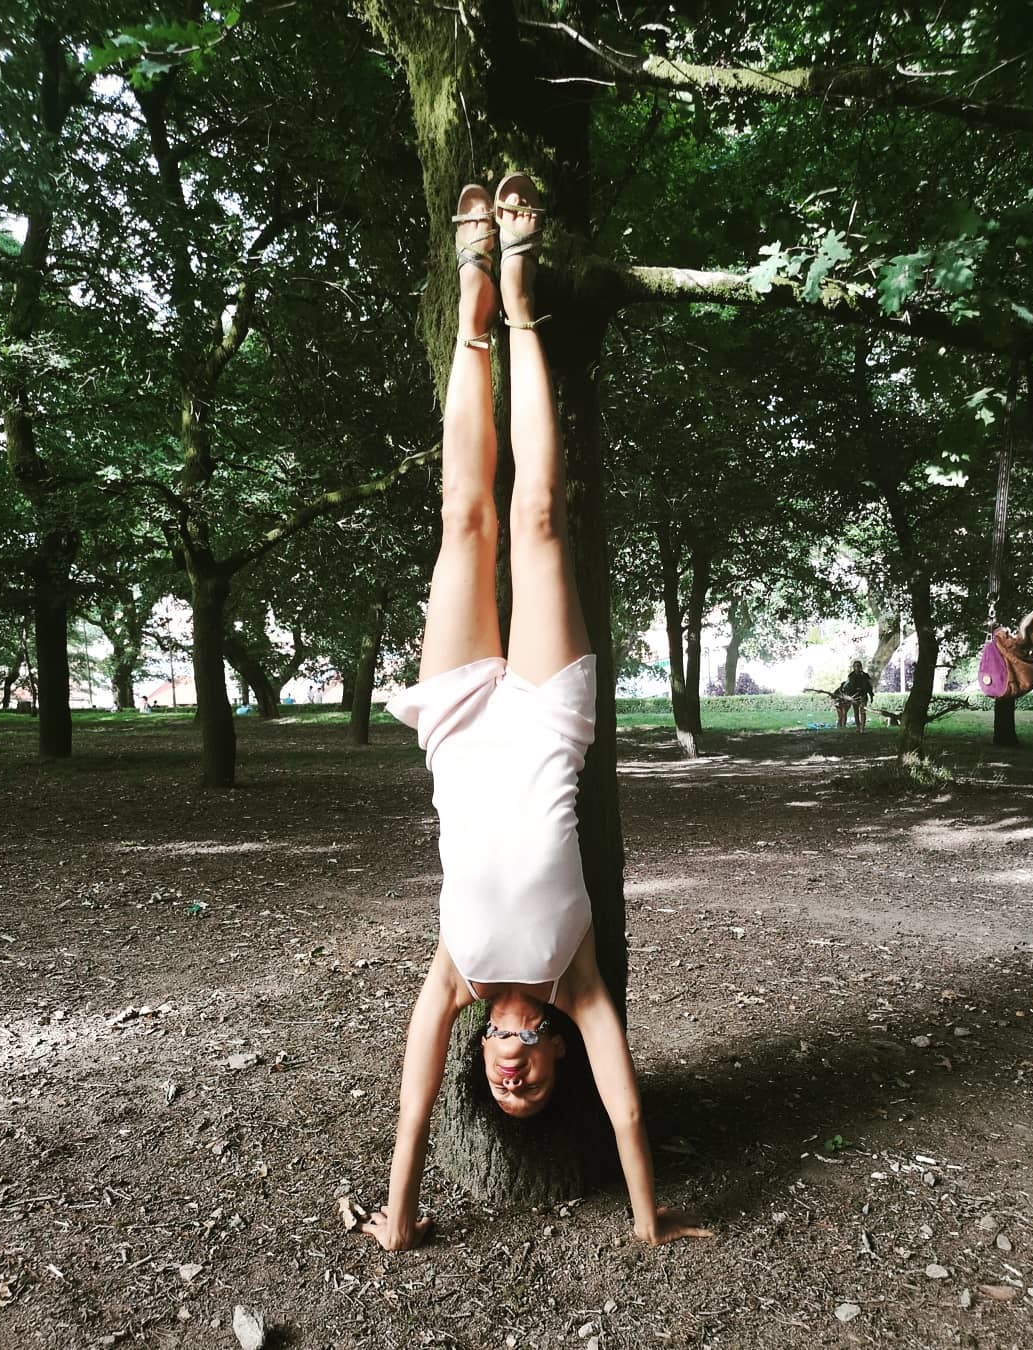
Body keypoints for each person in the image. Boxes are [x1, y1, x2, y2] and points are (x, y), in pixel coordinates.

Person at [359, 176, 714, 1253]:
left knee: (466, 519)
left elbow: (412, 1100)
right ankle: (519, 304)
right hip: (552, 723)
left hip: (460, 726)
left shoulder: (456, 976)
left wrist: (399, 1215)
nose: (516, 1072)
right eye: (534, 1081)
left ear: (486, 1052)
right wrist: (648, 1220)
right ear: (556, 1053)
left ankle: (472, 314)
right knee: (542, 519)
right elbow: (629, 1107)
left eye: (503, 1081)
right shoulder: (579, 980)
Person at [834, 659, 874, 732]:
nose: (857, 668)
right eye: (856, 666)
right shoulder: (851, 676)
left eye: (858, 666)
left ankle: (862, 728)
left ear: (861, 667)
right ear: (854, 667)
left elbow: (869, 686)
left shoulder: (865, 676)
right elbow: (846, 686)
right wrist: (846, 696)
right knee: (856, 712)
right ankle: (858, 727)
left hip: (863, 696)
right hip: (854, 697)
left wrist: (871, 695)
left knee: (862, 711)